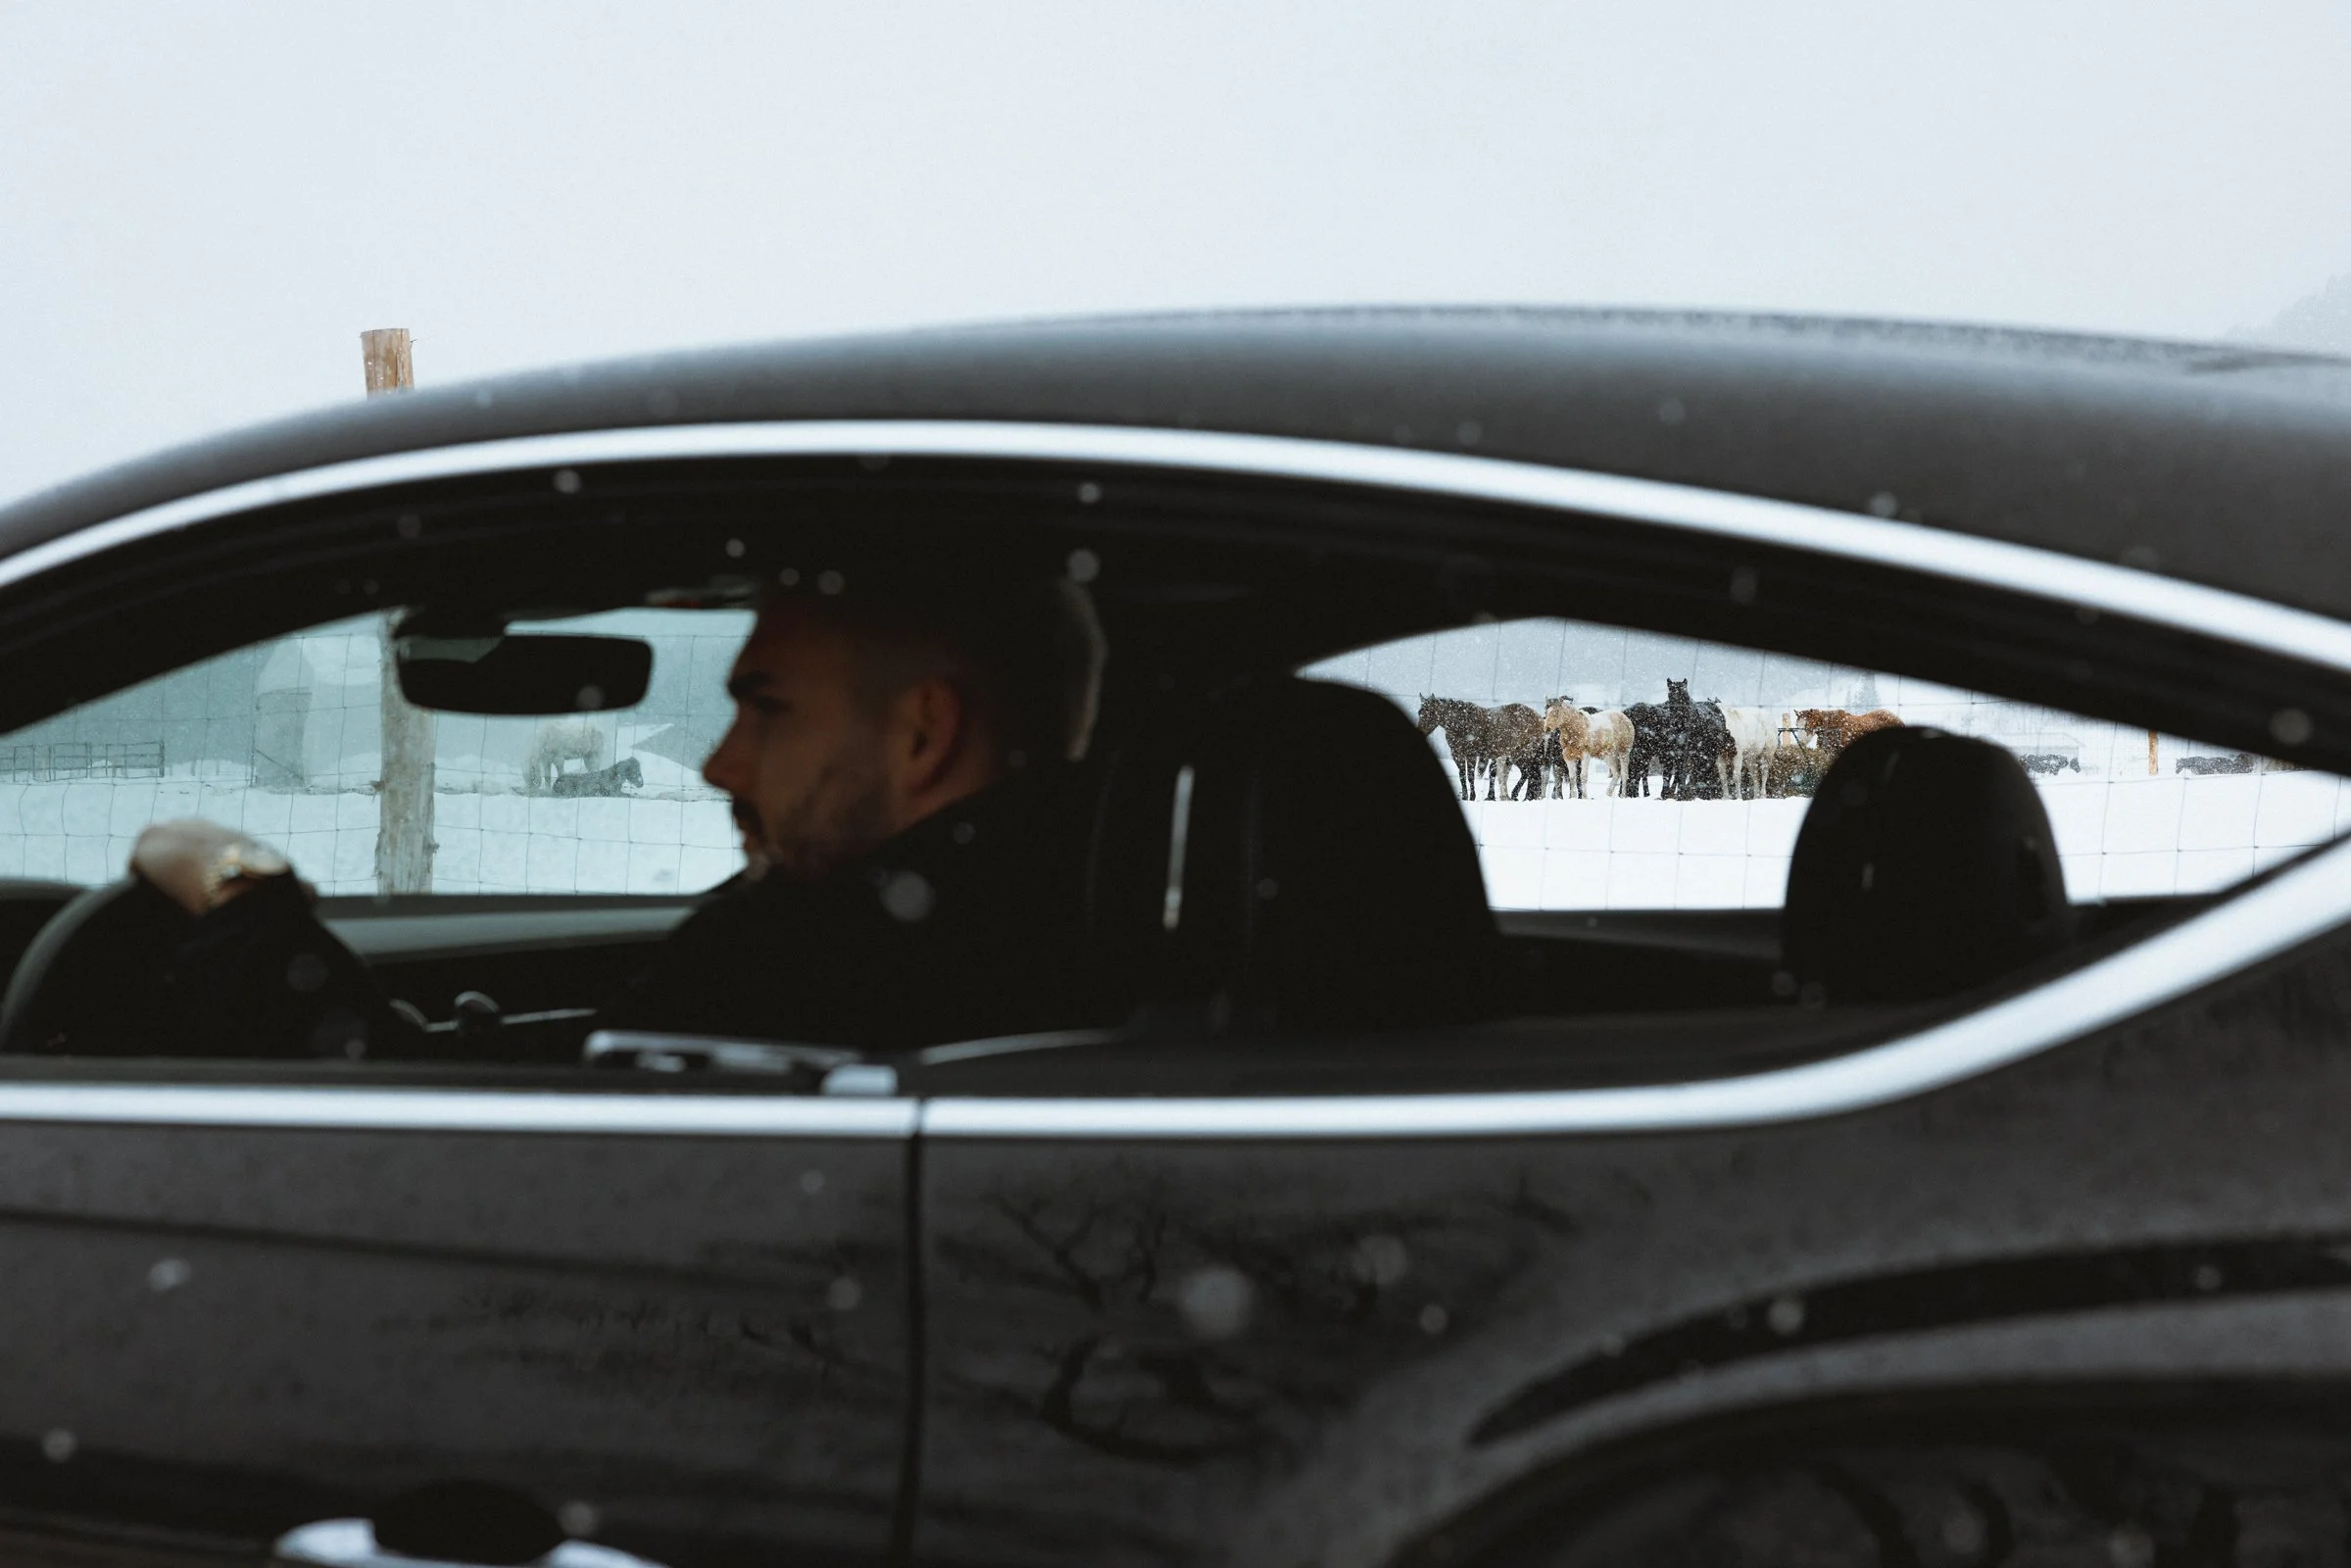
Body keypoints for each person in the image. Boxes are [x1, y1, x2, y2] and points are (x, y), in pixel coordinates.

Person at [129, 571, 1110, 1058]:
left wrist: (236, 900)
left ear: (922, 734)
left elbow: (477, 1181)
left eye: (766, 708)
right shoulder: (1013, 925)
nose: (720, 762)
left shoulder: (848, 956)